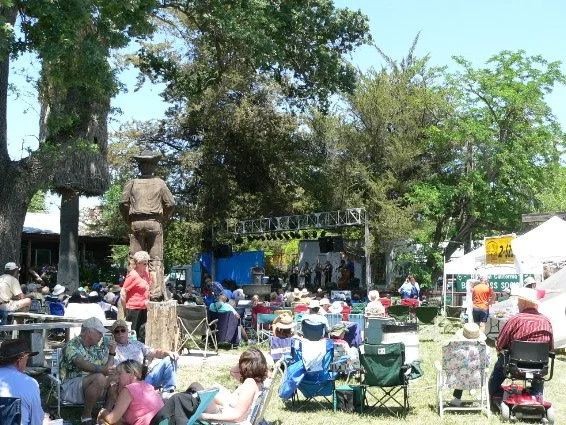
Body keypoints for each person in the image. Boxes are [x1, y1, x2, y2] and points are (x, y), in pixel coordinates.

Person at [119, 149, 176, 302]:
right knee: (155, 259)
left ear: (140, 166)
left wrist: (129, 220)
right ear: (153, 166)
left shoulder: (132, 183)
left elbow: (123, 203)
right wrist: (163, 218)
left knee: (134, 259)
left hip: (136, 223)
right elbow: (170, 203)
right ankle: (155, 293)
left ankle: (132, 289)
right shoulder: (160, 183)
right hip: (154, 223)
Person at [488, 287, 553, 409]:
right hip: (539, 367)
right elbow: (550, 347)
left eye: (518, 301)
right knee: (540, 370)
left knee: (500, 363)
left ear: (524, 302)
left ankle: (494, 391)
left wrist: (499, 350)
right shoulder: (546, 321)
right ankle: (536, 394)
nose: (517, 304)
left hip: (514, 365)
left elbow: (500, 343)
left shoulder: (515, 319)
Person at [60, 317, 117, 422]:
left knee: (116, 378)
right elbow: (79, 363)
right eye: (99, 332)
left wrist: (112, 353)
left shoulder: (96, 347)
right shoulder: (72, 345)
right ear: (89, 332)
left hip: (94, 383)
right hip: (72, 385)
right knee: (99, 378)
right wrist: (101, 370)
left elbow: (108, 369)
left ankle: (105, 414)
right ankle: (86, 416)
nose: (101, 336)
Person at [199, 348, 269, 424]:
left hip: (226, 418)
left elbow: (237, 417)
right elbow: (233, 372)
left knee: (196, 389)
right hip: (229, 411)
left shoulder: (249, 384)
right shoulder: (258, 381)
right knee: (209, 388)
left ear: (244, 365)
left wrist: (205, 416)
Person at [111, 319, 179, 393]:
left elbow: (155, 352)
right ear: (113, 335)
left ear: (128, 332)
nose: (120, 333)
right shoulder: (111, 349)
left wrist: (167, 353)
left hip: (145, 379)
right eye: (117, 331)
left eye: (123, 330)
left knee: (170, 359)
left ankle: (169, 391)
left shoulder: (137, 344)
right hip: (128, 385)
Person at [97, 359, 164, 425]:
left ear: (132, 373)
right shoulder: (148, 386)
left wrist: (103, 412)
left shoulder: (129, 389)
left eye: (119, 373)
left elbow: (111, 419)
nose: (116, 377)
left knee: (104, 422)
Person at [0, 339, 50, 425]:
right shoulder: (30, 383)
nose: (26, 362)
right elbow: (36, 421)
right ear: (20, 360)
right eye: (27, 359)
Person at [447, 323, 490, 407]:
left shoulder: (456, 348)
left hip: (458, 377)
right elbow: (487, 363)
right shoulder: (484, 348)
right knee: (469, 371)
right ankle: (471, 387)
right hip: (477, 378)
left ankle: (457, 398)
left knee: (461, 371)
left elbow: (449, 361)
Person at [121, 250, 151, 341]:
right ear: (138, 263)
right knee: (133, 334)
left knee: (142, 333)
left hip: (143, 307)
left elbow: (147, 289)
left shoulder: (146, 273)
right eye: (144, 264)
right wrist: (125, 308)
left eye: (147, 263)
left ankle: (141, 353)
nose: (146, 266)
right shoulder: (133, 275)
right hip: (133, 308)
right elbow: (123, 292)